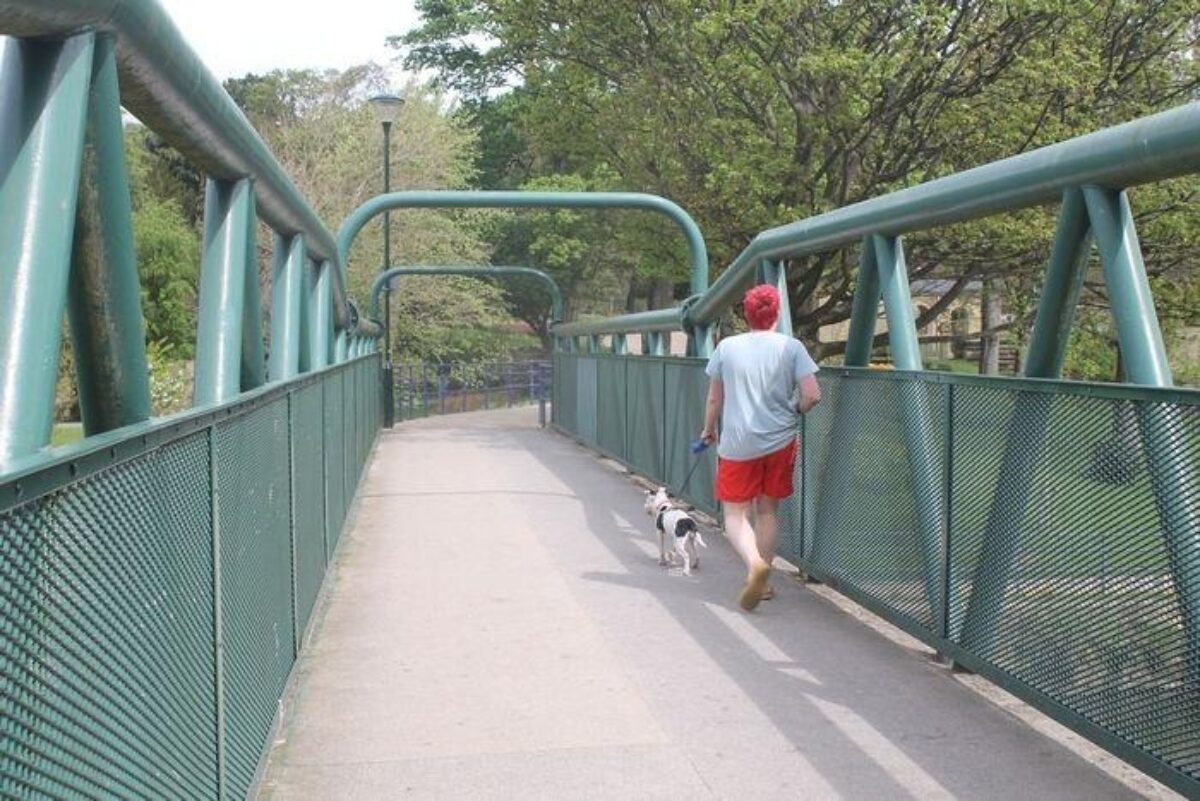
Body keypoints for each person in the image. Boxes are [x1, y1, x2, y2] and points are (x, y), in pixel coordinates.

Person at [700, 285, 821, 611]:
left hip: (738, 443)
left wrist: (709, 430)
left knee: (736, 514)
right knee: (768, 510)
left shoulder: (727, 347)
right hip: (780, 441)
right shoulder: (791, 347)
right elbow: (812, 395)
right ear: (776, 314)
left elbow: (715, 397)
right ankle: (764, 583)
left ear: (746, 315)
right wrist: (793, 410)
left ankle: (754, 564)